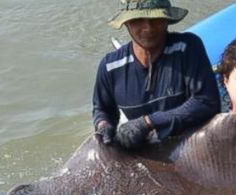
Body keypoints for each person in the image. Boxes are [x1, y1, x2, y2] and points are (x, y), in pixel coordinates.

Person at [92, 0, 220, 150]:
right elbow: (103, 110)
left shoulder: (187, 48)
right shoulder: (110, 67)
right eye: (138, 20)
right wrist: (103, 125)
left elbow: (206, 102)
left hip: (190, 145)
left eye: (156, 19)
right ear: (126, 23)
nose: (148, 27)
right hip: (143, 148)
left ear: (167, 20)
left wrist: (148, 122)